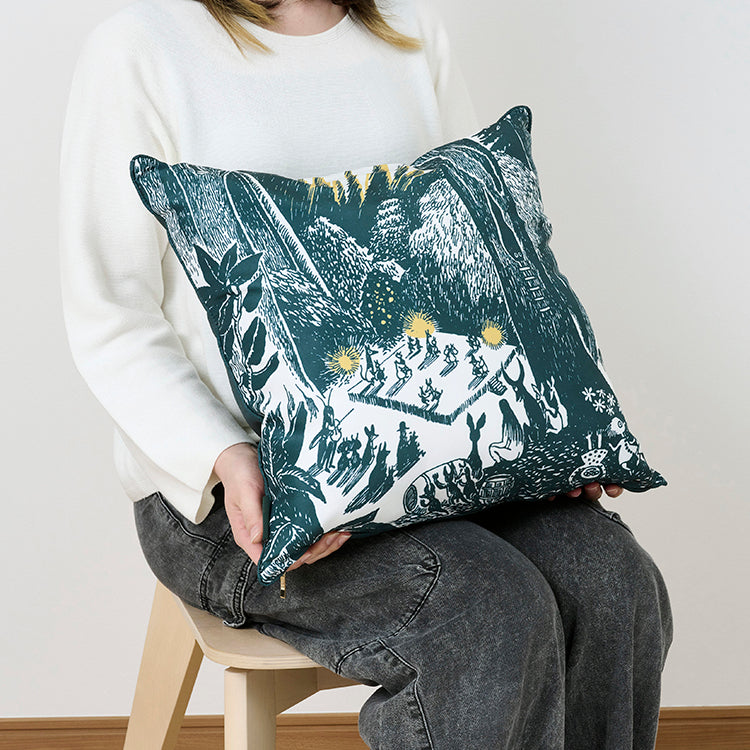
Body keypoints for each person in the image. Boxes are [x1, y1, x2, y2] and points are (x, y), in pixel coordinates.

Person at [58, 0, 673, 747]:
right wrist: (223, 453)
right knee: (482, 609)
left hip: (440, 454)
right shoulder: (141, 49)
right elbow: (111, 316)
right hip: (233, 492)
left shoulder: (410, 31)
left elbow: (484, 251)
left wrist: (540, 425)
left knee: (614, 581)